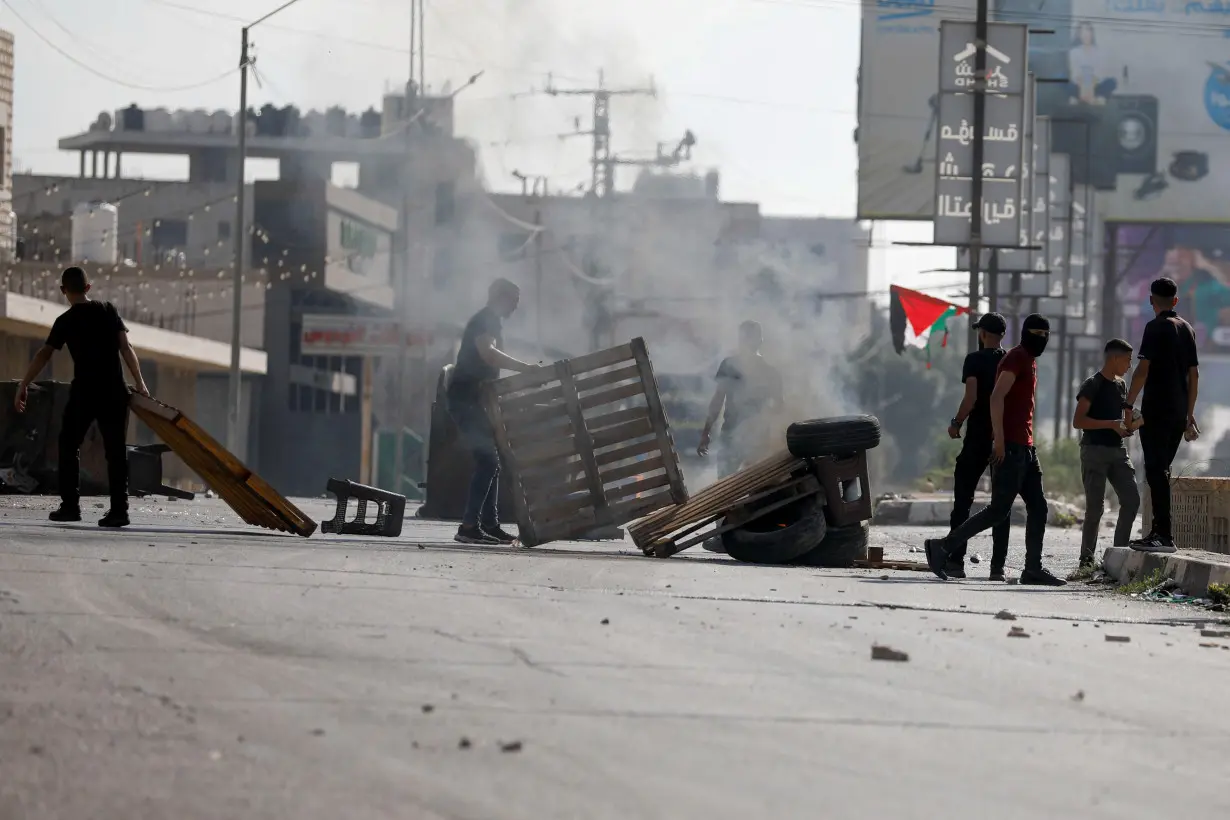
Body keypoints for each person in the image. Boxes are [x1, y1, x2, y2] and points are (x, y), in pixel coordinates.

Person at [924, 314, 1065, 586]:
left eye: (1046, 334)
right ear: (1024, 333)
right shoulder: (1015, 358)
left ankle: (1032, 568)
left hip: (1025, 447)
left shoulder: (1029, 360)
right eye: (1038, 333)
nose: (1043, 339)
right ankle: (943, 548)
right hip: (1009, 446)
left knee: (1038, 507)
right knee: (998, 510)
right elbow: (996, 396)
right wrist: (999, 440)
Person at [13, 266, 149, 528]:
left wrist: (24, 383)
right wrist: (140, 383)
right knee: (116, 452)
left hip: (84, 392)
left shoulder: (65, 321)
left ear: (63, 290)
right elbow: (126, 347)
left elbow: (44, 353)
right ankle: (119, 512)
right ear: (88, 288)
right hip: (113, 390)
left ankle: (70, 507)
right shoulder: (108, 310)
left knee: (67, 445)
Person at [448, 278, 537, 546]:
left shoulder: (490, 320)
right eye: (514, 301)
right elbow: (488, 355)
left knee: (492, 462)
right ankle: (468, 526)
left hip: (476, 400)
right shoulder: (485, 320)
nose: (515, 307)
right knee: (488, 460)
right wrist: (526, 369)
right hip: (466, 399)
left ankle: (489, 525)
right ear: (501, 297)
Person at [1125, 277, 1199, 552]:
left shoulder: (1154, 327)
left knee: (1155, 470)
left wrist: (1128, 403)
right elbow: (1194, 374)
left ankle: (1163, 536)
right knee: (1161, 470)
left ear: (1151, 301)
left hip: (1157, 409)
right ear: (1176, 301)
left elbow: (1143, 369)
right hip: (1178, 412)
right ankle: (1160, 532)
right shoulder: (1187, 329)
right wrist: (1189, 414)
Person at [944, 312, 1010, 581]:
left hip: (978, 437)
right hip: (1003, 439)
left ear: (982, 334)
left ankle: (956, 562)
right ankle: (997, 568)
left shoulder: (974, 359)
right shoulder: (1010, 361)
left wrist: (956, 422)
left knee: (963, 500)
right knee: (1000, 504)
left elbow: (970, 397)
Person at [1072, 339, 1140, 569]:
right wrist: (1110, 424)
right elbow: (1078, 421)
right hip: (1094, 452)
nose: (1129, 366)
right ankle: (1086, 561)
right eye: (1127, 360)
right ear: (1114, 359)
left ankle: (1118, 556)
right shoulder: (1092, 384)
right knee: (1095, 508)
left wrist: (1131, 424)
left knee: (1131, 500)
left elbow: (1123, 417)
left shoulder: (1120, 386)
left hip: (1117, 451)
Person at [697, 320, 783, 478]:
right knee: (755, 487)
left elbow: (717, 401)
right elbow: (779, 409)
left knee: (725, 487)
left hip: (746, 438)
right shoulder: (769, 372)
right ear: (761, 341)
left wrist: (706, 433)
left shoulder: (730, 366)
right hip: (752, 438)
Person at [1066, 21, 1117, 105]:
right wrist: (1083, 86)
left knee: (1112, 82)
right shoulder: (1074, 52)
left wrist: (1091, 85)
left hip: (1095, 84)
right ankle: (1079, 98)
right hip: (1079, 85)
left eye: (1088, 31)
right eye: (1082, 32)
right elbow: (1075, 73)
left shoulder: (1099, 52)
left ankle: (1097, 98)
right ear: (1079, 35)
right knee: (1062, 80)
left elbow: (1100, 73)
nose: (1086, 34)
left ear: (1092, 33)